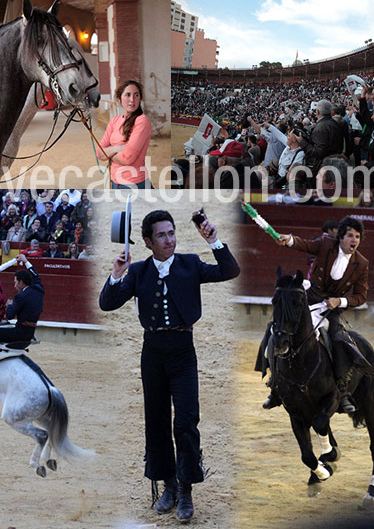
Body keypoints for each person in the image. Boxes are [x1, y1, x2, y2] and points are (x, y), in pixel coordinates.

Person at [99, 209, 240, 521]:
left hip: (182, 352)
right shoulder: (137, 271)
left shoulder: (190, 264)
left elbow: (229, 270)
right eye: (161, 235)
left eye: (171, 233)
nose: (169, 240)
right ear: (148, 241)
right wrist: (116, 274)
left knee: (186, 422)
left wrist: (214, 240)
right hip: (152, 353)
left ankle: (187, 490)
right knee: (157, 422)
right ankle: (169, 486)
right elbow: (107, 303)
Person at [262, 216, 369, 414]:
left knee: (340, 339)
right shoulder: (326, 243)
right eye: (350, 236)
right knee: (276, 329)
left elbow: (361, 296)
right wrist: (290, 240)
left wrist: (340, 301)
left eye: (357, 237)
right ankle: (275, 385)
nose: (354, 240)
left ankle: (343, 391)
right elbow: (306, 245)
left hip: (332, 308)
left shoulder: (361, 263)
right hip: (310, 299)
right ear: (341, 238)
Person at [97, 80, 152, 188]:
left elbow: (128, 158)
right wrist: (117, 148)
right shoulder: (114, 121)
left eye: (136, 95)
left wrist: (108, 153)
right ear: (119, 99)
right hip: (114, 182)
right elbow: (99, 153)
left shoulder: (142, 121)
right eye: (128, 95)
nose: (132, 99)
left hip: (134, 183)